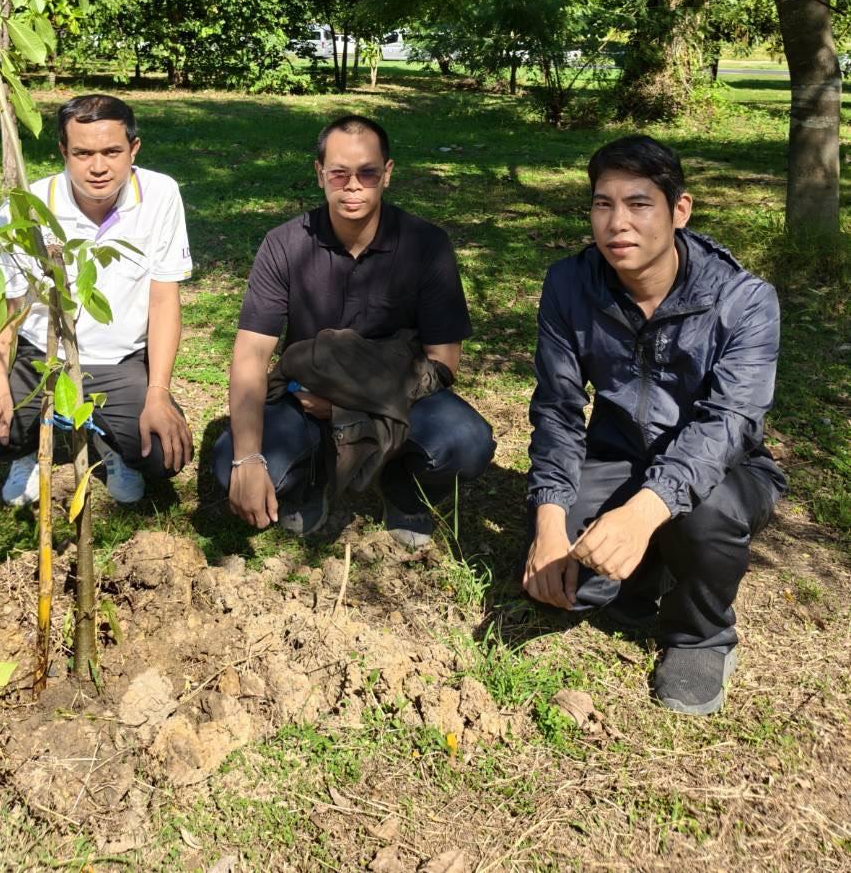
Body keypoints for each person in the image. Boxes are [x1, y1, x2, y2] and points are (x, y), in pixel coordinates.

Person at [523, 135, 786, 715]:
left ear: (679, 210)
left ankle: (701, 636)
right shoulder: (570, 284)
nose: (618, 223)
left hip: (724, 467)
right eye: (602, 203)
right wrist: (548, 518)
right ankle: (645, 567)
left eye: (639, 204)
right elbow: (558, 408)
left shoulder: (743, 300)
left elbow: (729, 423)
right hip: (615, 453)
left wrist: (645, 509)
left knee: (704, 518)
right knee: (568, 585)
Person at [213, 115, 495, 545]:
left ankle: (401, 488)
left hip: (397, 397)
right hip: (303, 398)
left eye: (367, 172)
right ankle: (310, 480)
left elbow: (444, 360)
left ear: (387, 173)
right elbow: (251, 353)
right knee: (229, 462)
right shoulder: (284, 244)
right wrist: (247, 458)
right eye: (338, 173)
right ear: (319, 174)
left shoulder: (426, 245)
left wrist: (351, 406)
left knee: (465, 443)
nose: (353, 185)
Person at [0, 93, 194, 506]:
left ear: (133, 149)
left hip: (120, 361)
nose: (98, 167)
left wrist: (157, 391)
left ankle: (109, 442)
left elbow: (163, 301)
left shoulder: (160, 194)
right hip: (39, 356)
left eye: (112, 151)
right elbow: (3, 312)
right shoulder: (26, 207)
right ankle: (28, 446)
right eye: (82, 153)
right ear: (63, 151)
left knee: (163, 455)